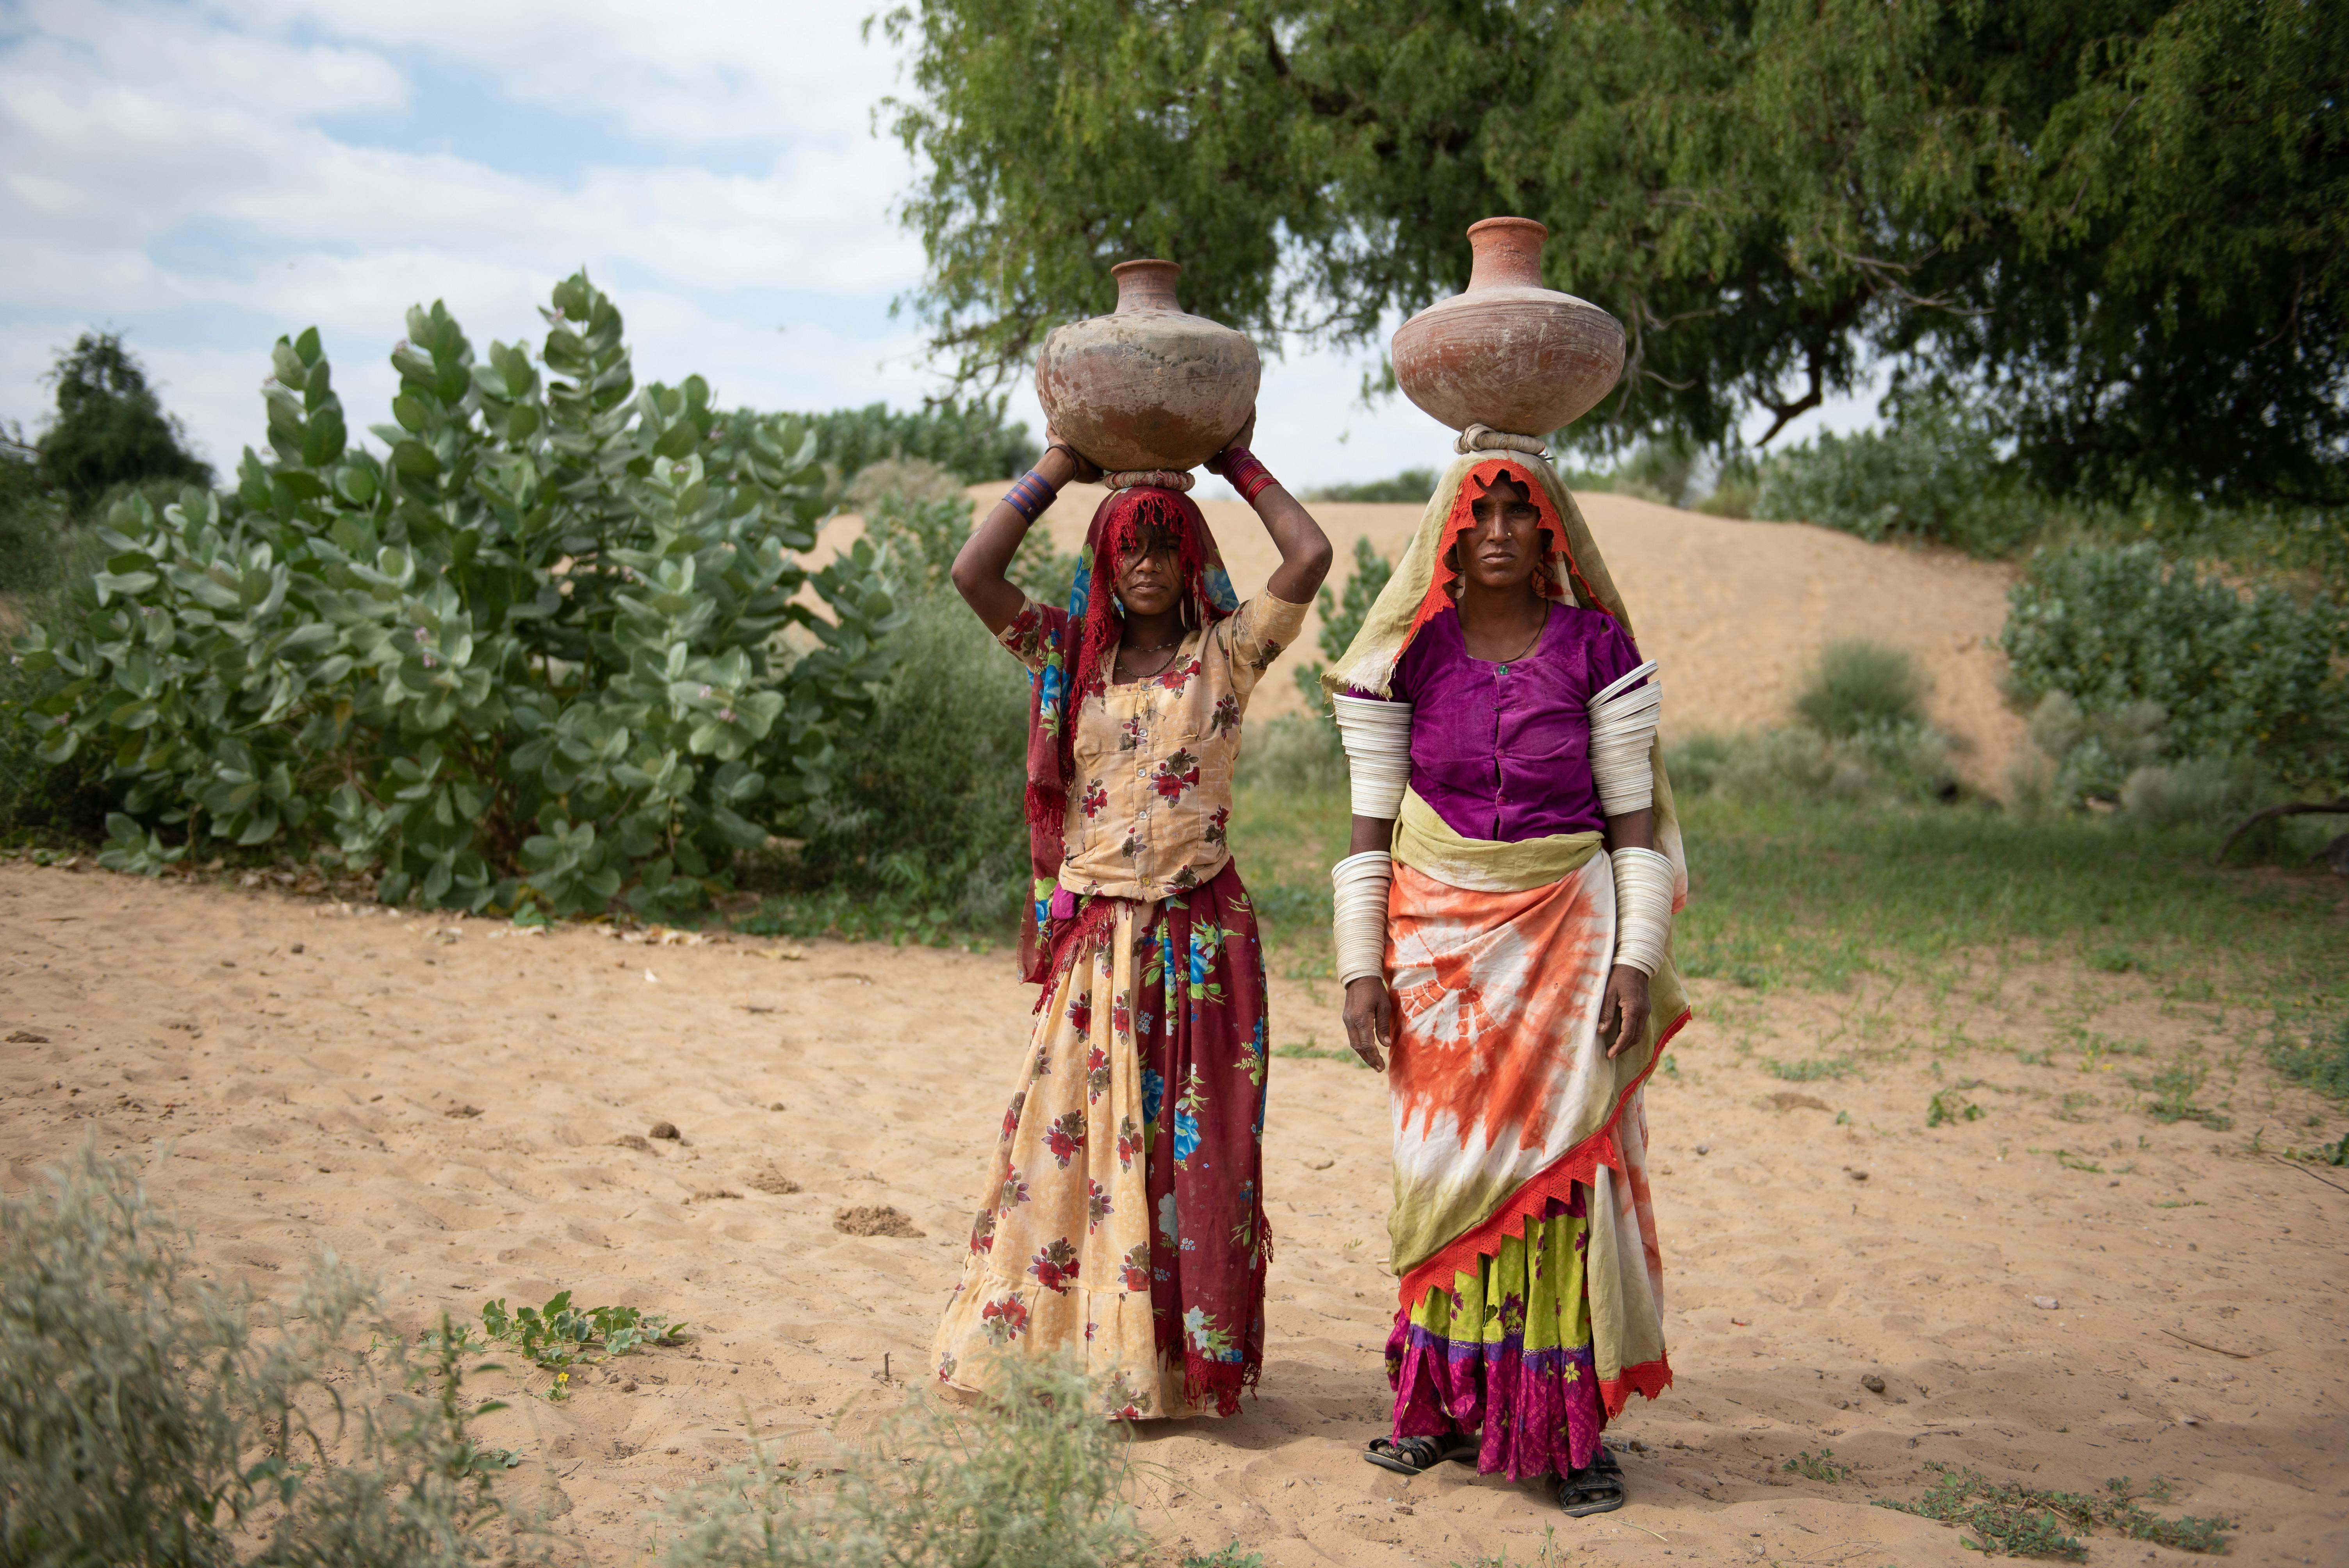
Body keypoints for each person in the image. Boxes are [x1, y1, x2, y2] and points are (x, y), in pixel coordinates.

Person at [930, 417, 1333, 1419]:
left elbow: (1309, 554)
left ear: (1191, 555)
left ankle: (1166, 1365)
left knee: (1194, 1157)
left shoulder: (1228, 655)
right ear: (1103, 558)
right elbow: (972, 573)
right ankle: (1066, 1353)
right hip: (1098, 941)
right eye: (1128, 544)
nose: (1147, 564)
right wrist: (1059, 467)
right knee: (1069, 1144)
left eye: (1165, 543)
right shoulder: (1064, 653)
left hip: (1201, 941)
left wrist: (1236, 461)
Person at [1321, 428, 1689, 1513]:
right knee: (1440, 1174)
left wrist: (1635, 960)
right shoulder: (1408, 658)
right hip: (1436, 951)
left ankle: (1564, 1433)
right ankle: (1436, 1407)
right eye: (1477, 512)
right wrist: (1359, 968)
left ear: (1551, 532)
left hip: (1570, 943)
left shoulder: (1597, 650)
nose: (1497, 531)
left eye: (1520, 511)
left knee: (1560, 1181)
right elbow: (1368, 829)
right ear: (1448, 530)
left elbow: (1633, 828)